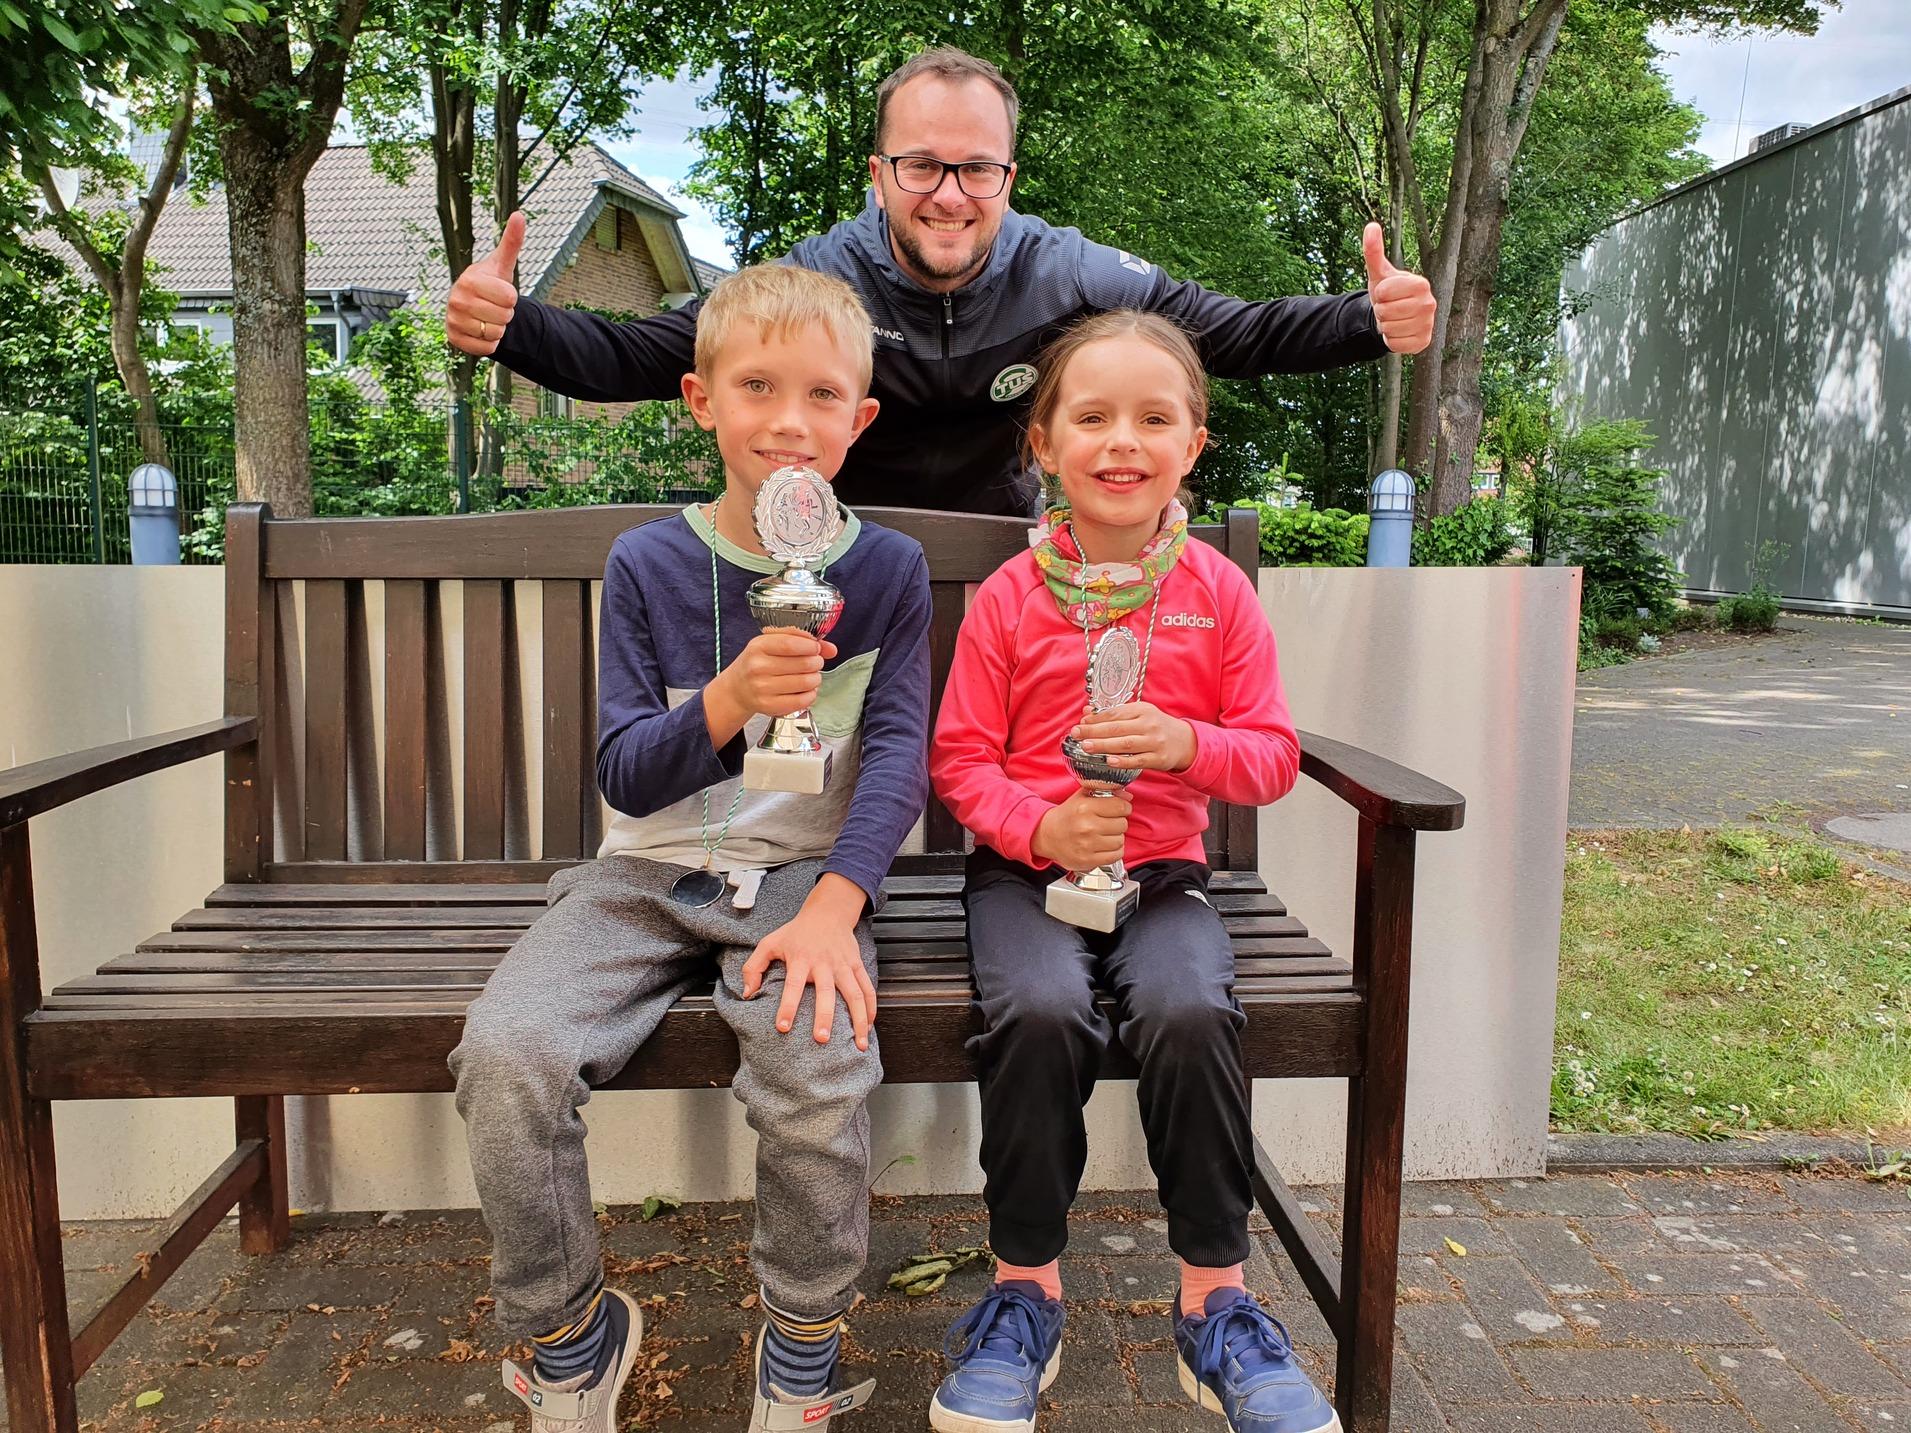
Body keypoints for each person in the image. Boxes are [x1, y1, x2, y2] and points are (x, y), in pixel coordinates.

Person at [448, 263, 932, 1433]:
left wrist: (838, 908)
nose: (790, 419)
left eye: (822, 394)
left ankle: (802, 1349)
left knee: (819, 1069)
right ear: (700, 399)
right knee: (507, 1054)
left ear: (862, 418)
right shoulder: (646, 563)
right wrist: (728, 699)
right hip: (640, 874)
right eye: (757, 386)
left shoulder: (888, 571)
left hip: (803, 881)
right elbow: (624, 771)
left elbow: (899, 758)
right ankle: (571, 1338)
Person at [444, 47, 1437, 517]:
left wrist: (1365, 319)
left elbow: (1232, 335)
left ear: (1009, 177)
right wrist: (513, 327)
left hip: (997, 564)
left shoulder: (1070, 273)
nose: (950, 195)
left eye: (977, 169)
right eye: (921, 165)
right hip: (828, 557)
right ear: (878, 175)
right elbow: (645, 357)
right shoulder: (817, 280)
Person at [927, 310, 1331, 1432]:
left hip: (1162, 877)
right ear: (1043, 444)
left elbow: (1272, 756)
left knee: (1191, 1007)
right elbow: (959, 760)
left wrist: (1187, 744)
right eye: (1092, 416)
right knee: (1041, 1010)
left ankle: (1215, 1302)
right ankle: (1024, 1292)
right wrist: (1039, 829)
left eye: (1154, 418)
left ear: (1192, 445)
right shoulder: (1010, 597)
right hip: (1022, 875)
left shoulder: (1219, 591)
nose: (1121, 441)